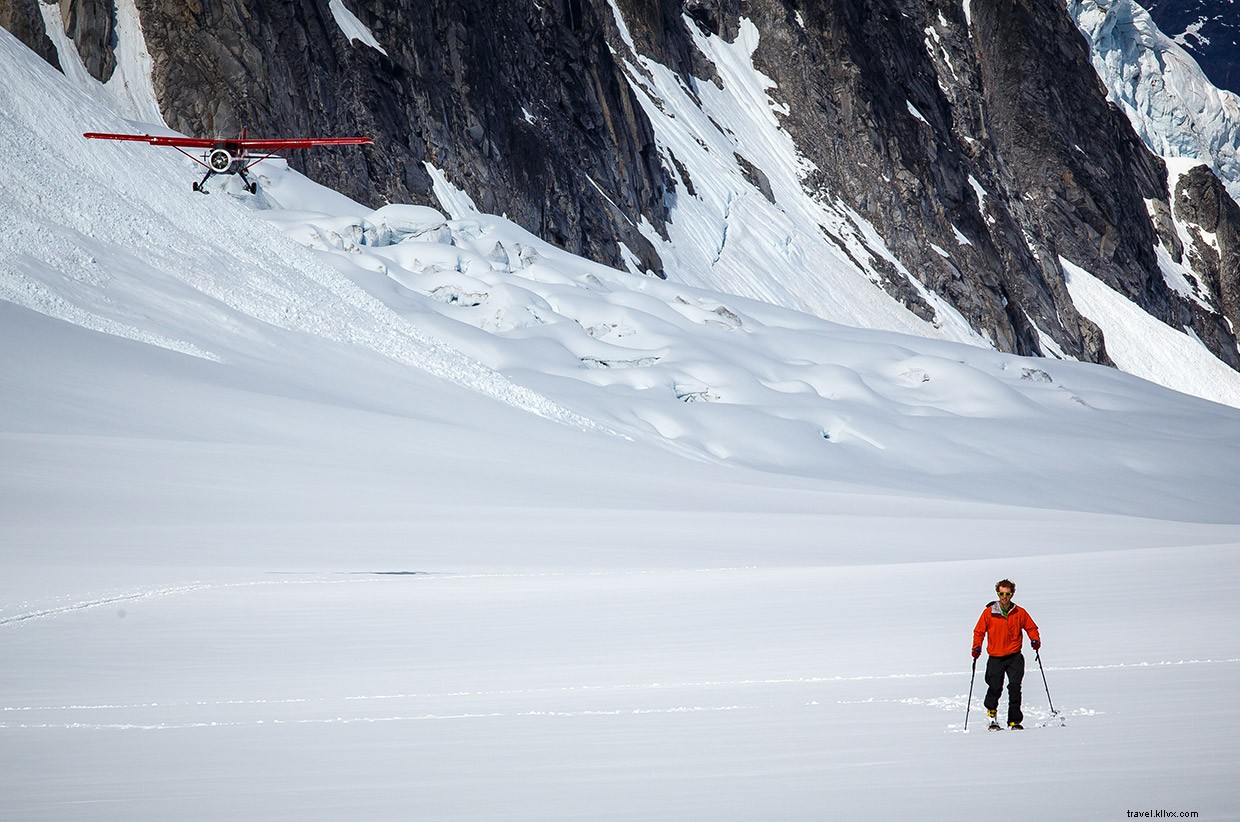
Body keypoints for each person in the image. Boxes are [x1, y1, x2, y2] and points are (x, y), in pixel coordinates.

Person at [972, 579, 1040, 730]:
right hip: (995, 657)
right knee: (995, 687)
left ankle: (1014, 721)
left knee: (1015, 687)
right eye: (1001, 593)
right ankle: (992, 715)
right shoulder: (989, 613)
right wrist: (976, 648)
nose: (1004, 597)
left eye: (1007, 594)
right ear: (997, 593)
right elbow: (979, 631)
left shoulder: (1019, 612)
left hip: (1014, 656)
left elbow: (1031, 627)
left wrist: (1035, 640)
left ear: (1012, 594)